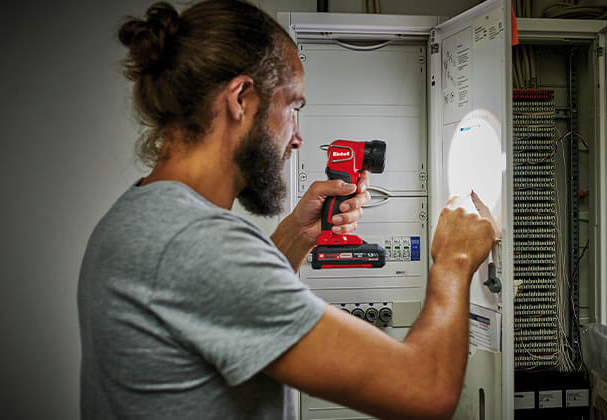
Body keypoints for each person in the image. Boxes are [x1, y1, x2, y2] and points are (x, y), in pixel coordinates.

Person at [77, 0, 496, 419]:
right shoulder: (196, 245)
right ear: (240, 98)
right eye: (293, 107)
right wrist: (454, 262)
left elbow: (225, 305)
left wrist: (296, 235)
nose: (297, 139)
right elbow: (424, 391)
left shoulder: (140, 217)